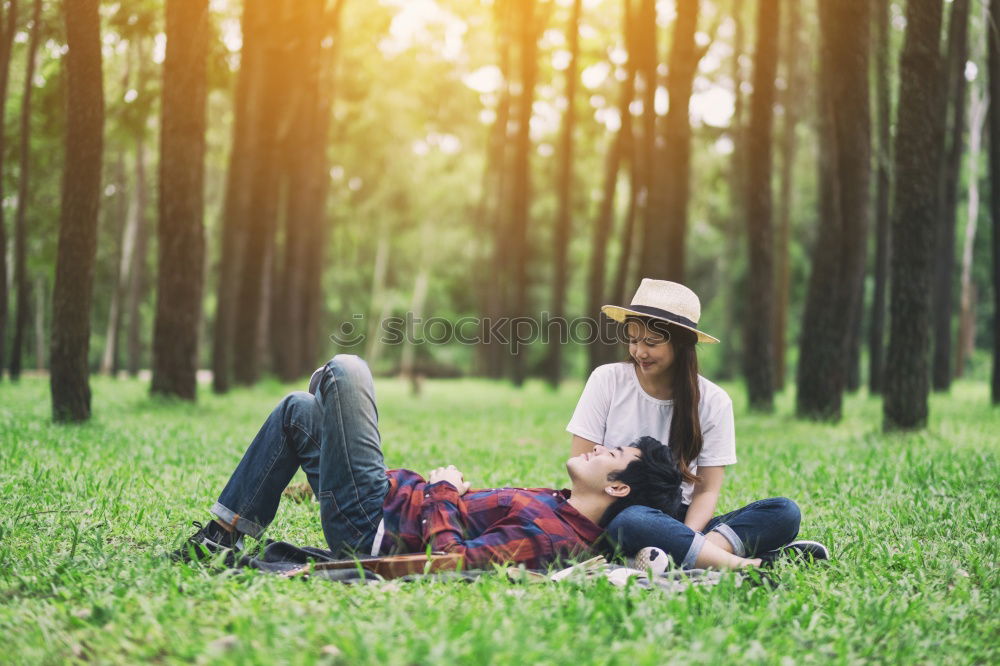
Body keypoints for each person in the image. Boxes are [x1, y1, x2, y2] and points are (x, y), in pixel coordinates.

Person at [176, 354, 683, 570]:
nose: (596, 448)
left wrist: (443, 488)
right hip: (382, 502)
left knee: (347, 371)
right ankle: (224, 534)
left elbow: (448, 564)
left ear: (618, 488)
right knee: (298, 411)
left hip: (371, 522)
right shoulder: (557, 505)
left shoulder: (553, 536)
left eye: (611, 453)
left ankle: (332, 392)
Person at [567, 279, 829, 569]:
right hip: (617, 516)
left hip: (684, 521)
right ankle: (746, 563)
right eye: (633, 339)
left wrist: (687, 536)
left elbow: (706, 490)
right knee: (634, 520)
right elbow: (580, 462)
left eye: (651, 343)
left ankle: (679, 558)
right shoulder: (607, 380)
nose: (639, 351)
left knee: (784, 512)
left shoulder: (714, 401)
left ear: (681, 343)